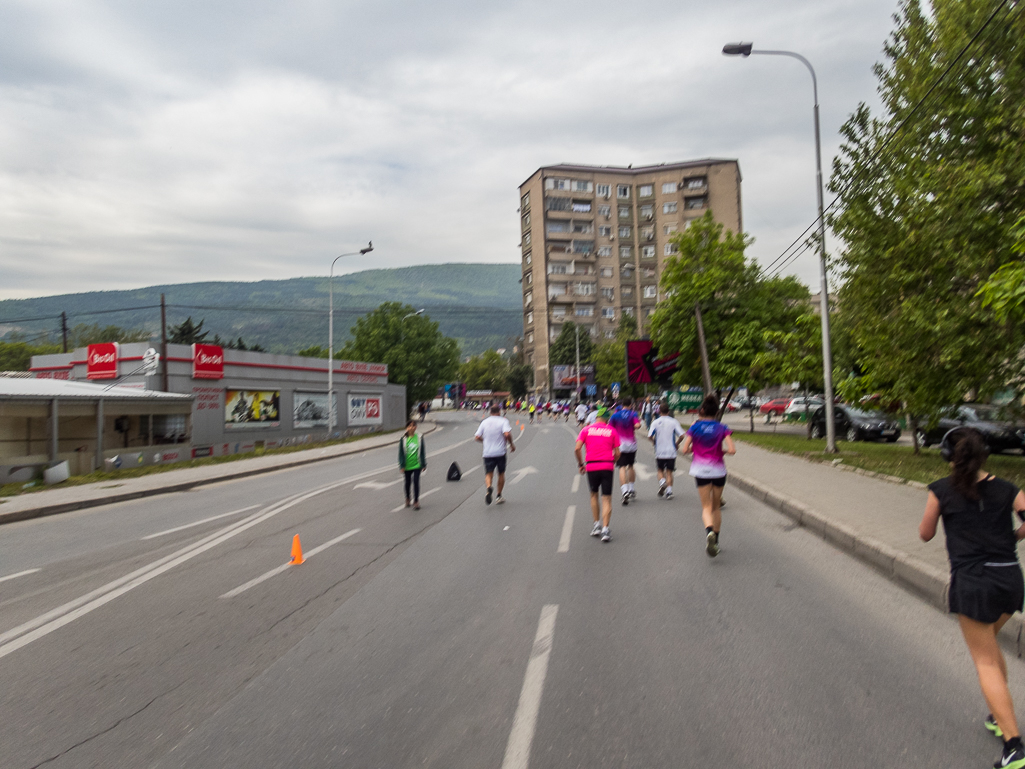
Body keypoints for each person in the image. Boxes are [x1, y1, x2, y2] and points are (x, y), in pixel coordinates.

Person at [919, 427, 1025, 769]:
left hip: (973, 583)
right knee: (990, 648)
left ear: (948, 456)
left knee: (985, 661)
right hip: (1010, 579)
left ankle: (1014, 748)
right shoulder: (1008, 488)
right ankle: (999, 716)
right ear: (984, 454)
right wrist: (1013, 535)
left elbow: (924, 534)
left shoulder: (941, 491)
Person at [681, 395, 736, 557]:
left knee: (706, 507)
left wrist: (695, 450)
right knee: (716, 506)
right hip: (719, 471)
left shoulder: (695, 428)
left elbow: (685, 449)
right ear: (717, 412)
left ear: (702, 410)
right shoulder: (722, 427)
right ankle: (716, 541)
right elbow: (732, 450)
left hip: (701, 471)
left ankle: (709, 532)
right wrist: (722, 451)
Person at [575, 406, 621, 542]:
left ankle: (596, 525)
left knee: (594, 495)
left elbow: (577, 448)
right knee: (606, 498)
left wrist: (580, 464)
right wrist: (612, 461)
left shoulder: (586, 430)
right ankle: (606, 530)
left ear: (596, 418)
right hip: (607, 465)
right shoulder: (612, 430)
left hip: (591, 466)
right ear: (607, 419)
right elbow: (618, 453)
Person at [474, 404, 515, 505]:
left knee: (489, 473)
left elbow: (477, 437)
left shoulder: (484, 422)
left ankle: (488, 487)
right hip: (500, 452)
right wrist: (511, 444)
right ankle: (499, 496)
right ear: (499, 411)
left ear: (490, 412)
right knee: (501, 473)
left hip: (487, 453)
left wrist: (484, 441)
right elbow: (507, 434)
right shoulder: (503, 421)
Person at [648, 402, 685, 500]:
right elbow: (682, 435)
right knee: (669, 472)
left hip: (660, 450)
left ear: (659, 411)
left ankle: (662, 482)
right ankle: (669, 492)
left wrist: (654, 441)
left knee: (660, 470)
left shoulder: (655, 422)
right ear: (668, 411)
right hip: (671, 451)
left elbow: (650, 436)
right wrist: (677, 443)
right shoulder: (673, 421)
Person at [609, 397, 641, 506]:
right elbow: (637, 425)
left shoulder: (615, 415)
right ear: (631, 405)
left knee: (622, 467)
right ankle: (631, 489)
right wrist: (635, 424)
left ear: (622, 405)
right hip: (631, 445)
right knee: (631, 466)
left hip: (620, 445)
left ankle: (624, 491)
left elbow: (610, 429)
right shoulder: (633, 414)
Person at [398, 420, 427, 510]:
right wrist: (402, 465)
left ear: (416, 427)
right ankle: (407, 498)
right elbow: (401, 453)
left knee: (416, 482)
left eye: (413, 426)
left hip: (417, 464)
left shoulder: (419, 437)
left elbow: (422, 451)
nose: (411, 427)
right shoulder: (403, 439)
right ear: (407, 428)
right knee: (407, 483)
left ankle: (416, 501)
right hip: (407, 465)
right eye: (409, 426)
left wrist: (423, 464)